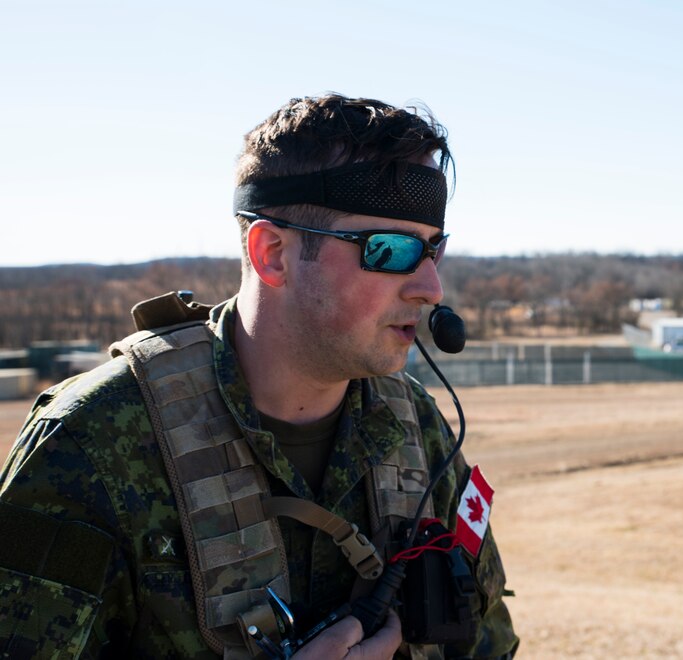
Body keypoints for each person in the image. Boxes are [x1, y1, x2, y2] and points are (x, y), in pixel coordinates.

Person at [0, 94, 518, 659]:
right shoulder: (94, 440)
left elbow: (487, 645)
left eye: (433, 251)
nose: (430, 289)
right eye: (390, 251)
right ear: (273, 253)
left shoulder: (415, 425)